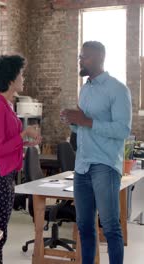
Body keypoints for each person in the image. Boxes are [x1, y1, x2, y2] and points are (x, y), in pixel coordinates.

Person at [60, 41, 132, 264]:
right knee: (84, 227)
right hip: (82, 166)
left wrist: (86, 121)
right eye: (80, 57)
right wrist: (72, 121)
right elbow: (83, 126)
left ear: (100, 58)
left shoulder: (118, 89)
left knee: (110, 227)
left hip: (105, 165)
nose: (81, 61)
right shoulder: (85, 89)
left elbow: (122, 130)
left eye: (85, 57)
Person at [0, 55, 41, 263]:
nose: (23, 78)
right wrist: (24, 135)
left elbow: (8, 142)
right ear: (11, 80)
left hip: (5, 175)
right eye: (21, 74)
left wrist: (26, 142)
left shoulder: (6, 104)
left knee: (1, 233)